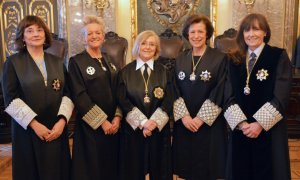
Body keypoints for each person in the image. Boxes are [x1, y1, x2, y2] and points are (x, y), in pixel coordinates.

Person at [2, 15, 74, 180]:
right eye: (30, 30)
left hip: (56, 129)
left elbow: (68, 94)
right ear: (23, 37)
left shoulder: (57, 62)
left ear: (45, 34)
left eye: (39, 30)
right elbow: (11, 100)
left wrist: (62, 122)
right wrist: (35, 125)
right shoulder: (12, 63)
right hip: (28, 131)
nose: (36, 34)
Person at [224, 13, 291, 180]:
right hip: (241, 129)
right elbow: (227, 93)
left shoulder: (278, 56)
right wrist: (242, 123)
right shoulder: (234, 59)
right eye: (247, 30)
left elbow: (281, 95)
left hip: (269, 130)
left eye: (256, 29)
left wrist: (259, 124)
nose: (251, 34)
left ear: (265, 33)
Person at [172, 14, 228, 180]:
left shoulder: (219, 58)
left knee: (208, 168)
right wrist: (185, 117)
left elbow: (221, 88)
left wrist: (201, 119)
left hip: (209, 124)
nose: (196, 36)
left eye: (200, 32)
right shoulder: (180, 58)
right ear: (187, 34)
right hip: (185, 122)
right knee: (186, 167)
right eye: (192, 32)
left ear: (207, 34)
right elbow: (174, 88)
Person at [68, 15, 121, 180]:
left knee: (112, 168)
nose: (94, 36)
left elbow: (121, 90)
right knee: (93, 171)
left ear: (103, 37)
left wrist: (117, 118)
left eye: (98, 32)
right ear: (83, 39)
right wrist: (101, 121)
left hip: (114, 126)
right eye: (89, 34)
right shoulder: (76, 62)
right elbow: (79, 95)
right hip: (91, 128)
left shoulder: (111, 60)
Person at [117, 30, 173, 180]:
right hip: (133, 130)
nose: (147, 47)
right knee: (134, 169)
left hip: (159, 130)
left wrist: (153, 123)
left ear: (156, 48)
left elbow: (170, 99)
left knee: (159, 168)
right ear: (137, 46)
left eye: (152, 44)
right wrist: (143, 123)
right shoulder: (125, 72)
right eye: (144, 43)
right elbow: (122, 100)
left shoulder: (165, 72)